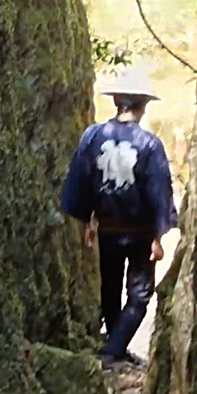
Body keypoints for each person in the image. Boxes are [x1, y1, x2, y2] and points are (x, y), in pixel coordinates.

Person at [60, 66, 179, 369]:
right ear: (142, 105)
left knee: (110, 288)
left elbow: (81, 180)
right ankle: (113, 351)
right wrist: (158, 235)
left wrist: (88, 221)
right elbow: (158, 190)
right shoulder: (150, 145)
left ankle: (116, 346)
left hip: (107, 228)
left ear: (117, 103)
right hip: (138, 233)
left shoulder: (93, 136)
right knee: (139, 295)